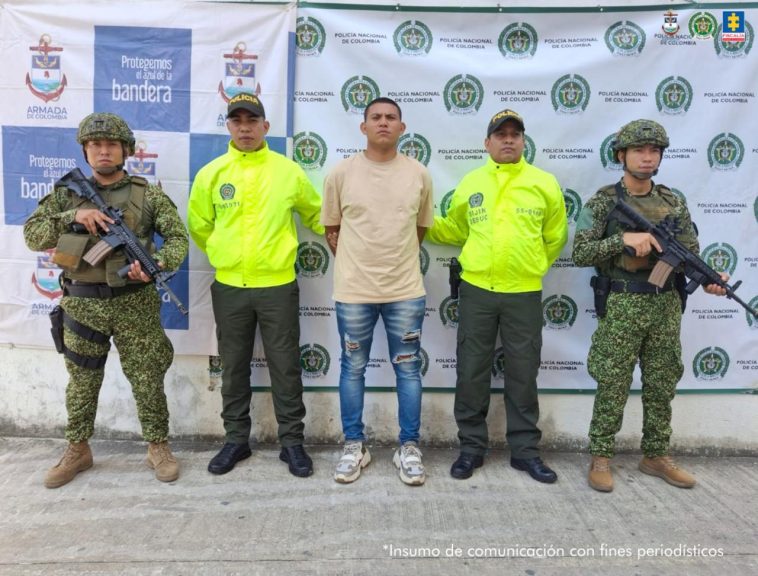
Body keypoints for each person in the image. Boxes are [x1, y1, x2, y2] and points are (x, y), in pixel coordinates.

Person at [23, 112, 189, 488]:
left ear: (125, 150)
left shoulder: (148, 194)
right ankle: (78, 449)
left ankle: (158, 446)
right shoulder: (66, 194)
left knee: (147, 378)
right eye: (95, 144)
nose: (103, 151)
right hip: (82, 304)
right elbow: (33, 236)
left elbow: (178, 238)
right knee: (81, 381)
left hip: (135, 302)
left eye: (111, 144)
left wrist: (156, 264)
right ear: (85, 150)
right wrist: (75, 216)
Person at [572, 119, 727, 492]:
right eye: (639, 150)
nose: (647, 157)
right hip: (623, 302)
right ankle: (601, 456)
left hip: (666, 304)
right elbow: (580, 253)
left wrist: (709, 279)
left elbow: (689, 252)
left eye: (654, 150)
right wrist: (623, 240)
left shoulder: (673, 201)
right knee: (613, 381)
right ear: (622, 154)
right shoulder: (603, 201)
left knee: (661, 382)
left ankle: (656, 455)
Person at [427, 109, 568, 483]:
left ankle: (525, 452)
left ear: (524, 141)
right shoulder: (472, 182)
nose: (508, 140)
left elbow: (555, 237)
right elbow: (453, 229)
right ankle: (471, 448)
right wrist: (415, 219)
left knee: (523, 374)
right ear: (487, 142)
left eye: (514, 134)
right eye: (500, 134)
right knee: (471, 372)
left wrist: (533, 265)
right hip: (477, 293)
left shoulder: (544, 183)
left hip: (523, 294)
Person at [188, 92, 323, 478]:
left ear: (266, 126)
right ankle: (235, 441)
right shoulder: (212, 173)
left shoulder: (288, 172)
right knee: (233, 368)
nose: (245, 128)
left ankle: (293, 444)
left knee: (285, 367)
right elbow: (200, 225)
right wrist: (222, 251)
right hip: (230, 286)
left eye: (252, 121)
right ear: (229, 126)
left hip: (278, 285)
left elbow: (316, 214)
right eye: (237, 121)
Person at [321, 97, 434, 485]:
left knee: (408, 369)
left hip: (405, 290)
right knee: (352, 368)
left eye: (391, 118)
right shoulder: (341, 173)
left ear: (402, 128)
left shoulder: (419, 173)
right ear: (363, 127)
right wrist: (358, 264)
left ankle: (409, 447)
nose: (383, 123)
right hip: (353, 292)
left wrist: (393, 260)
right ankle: (355, 445)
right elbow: (331, 229)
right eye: (376, 117)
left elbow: (419, 230)